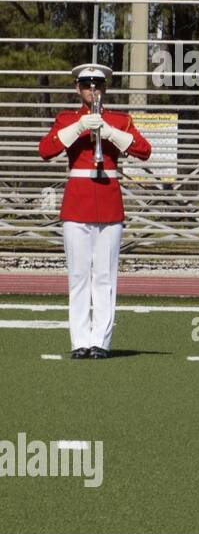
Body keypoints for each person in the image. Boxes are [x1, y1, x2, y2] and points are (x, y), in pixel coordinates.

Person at [38, 63, 152, 359]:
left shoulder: (120, 119)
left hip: (109, 202)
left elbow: (144, 150)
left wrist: (110, 131)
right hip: (77, 204)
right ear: (78, 89)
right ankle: (79, 341)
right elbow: (46, 150)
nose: (93, 90)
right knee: (78, 276)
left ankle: (100, 340)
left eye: (98, 85)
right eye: (87, 85)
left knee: (104, 276)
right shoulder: (66, 118)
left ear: (105, 89)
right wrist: (78, 127)